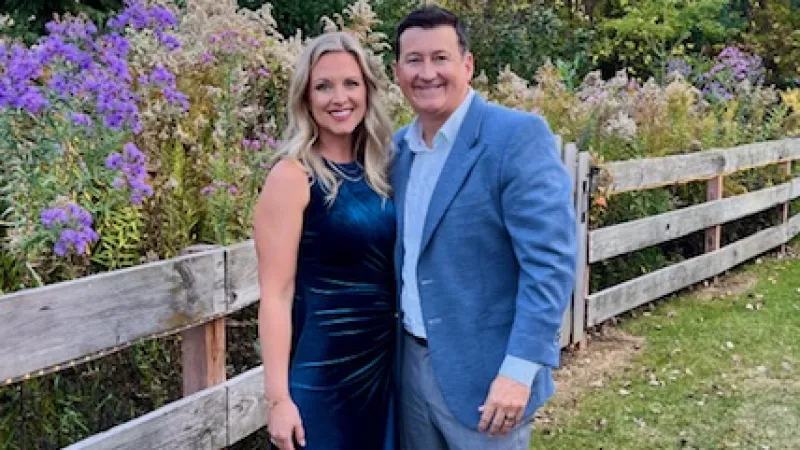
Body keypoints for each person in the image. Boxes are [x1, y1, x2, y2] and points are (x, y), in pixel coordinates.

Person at [390, 6, 577, 449]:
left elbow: (549, 265)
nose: (427, 72)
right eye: (414, 60)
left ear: (467, 65)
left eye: (441, 57)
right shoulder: (398, 149)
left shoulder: (515, 137)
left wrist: (519, 370)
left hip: (488, 381)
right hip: (411, 369)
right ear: (397, 71)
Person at [254, 31, 397, 450]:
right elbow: (275, 295)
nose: (340, 97)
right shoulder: (292, 176)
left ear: (368, 91)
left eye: (351, 83)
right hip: (324, 376)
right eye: (324, 86)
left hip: (384, 371)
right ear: (306, 98)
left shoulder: (381, 172)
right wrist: (278, 399)